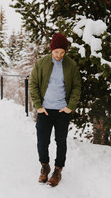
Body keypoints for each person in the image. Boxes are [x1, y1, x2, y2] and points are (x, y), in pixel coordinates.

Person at [29, 33, 81, 187]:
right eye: (57, 52)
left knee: (61, 141)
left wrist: (70, 107)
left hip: (61, 111)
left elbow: (77, 86)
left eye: (62, 52)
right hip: (44, 110)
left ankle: (58, 170)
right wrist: (38, 105)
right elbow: (33, 84)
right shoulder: (41, 63)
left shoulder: (71, 65)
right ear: (51, 49)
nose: (59, 55)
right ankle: (45, 166)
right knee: (42, 141)